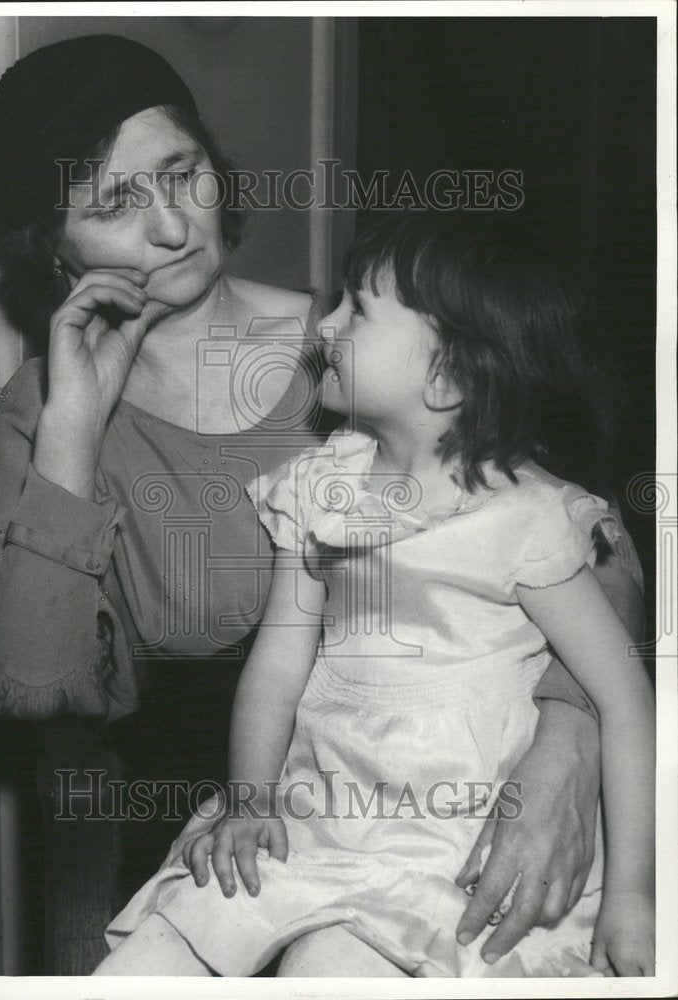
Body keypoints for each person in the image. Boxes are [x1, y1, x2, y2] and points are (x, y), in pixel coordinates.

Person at [0, 35, 643, 973]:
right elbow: (29, 683)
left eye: (182, 173)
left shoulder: (379, 350)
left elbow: (593, 551)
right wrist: (75, 427)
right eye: (113, 204)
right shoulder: (40, 415)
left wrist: (568, 736)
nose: (173, 228)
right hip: (237, 829)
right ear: (50, 244)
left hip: (460, 810)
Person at [95, 216, 654, 978]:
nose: (321, 323)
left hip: (451, 849)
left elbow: (625, 701)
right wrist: (250, 798)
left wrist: (634, 894)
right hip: (320, 814)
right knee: (148, 961)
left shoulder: (528, 519)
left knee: (326, 971)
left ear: (446, 377)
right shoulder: (315, 485)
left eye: (355, 309)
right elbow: (278, 664)